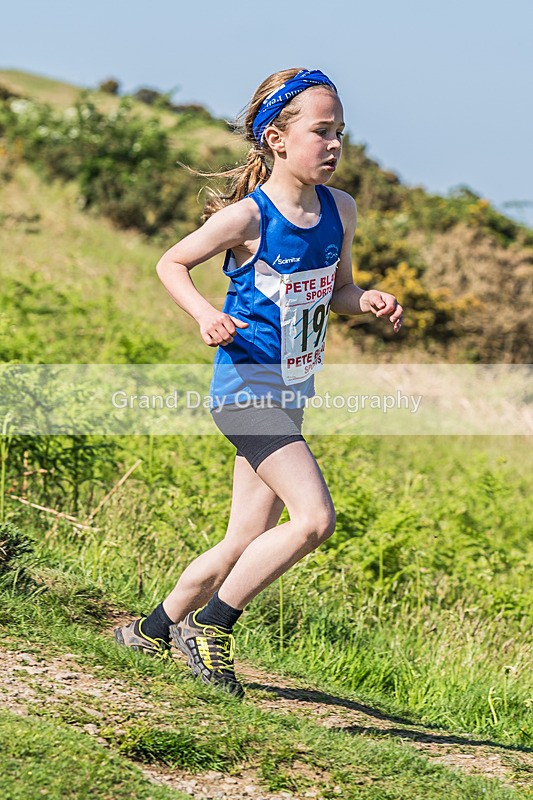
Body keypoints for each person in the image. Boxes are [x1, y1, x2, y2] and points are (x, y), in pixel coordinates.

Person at [115, 68, 403, 698]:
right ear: (276, 137)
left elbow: (339, 291)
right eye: (320, 131)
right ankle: (212, 627)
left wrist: (370, 299)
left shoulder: (340, 210)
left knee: (244, 539)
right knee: (314, 519)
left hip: (291, 394)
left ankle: (153, 629)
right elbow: (171, 263)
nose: (333, 145)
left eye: (340, 134)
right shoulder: (249, 218)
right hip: (245, 391)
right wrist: (205, 314)